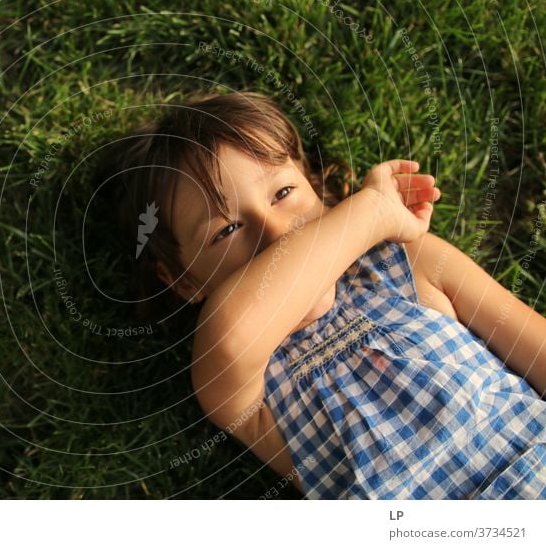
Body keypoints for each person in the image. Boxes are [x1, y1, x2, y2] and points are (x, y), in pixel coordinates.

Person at [112, 91, 546, 499]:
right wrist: (372, 209)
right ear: (186, 282)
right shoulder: (242, 381)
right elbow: (231, 334)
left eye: (283, 193)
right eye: (226, 230)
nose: (277, 232)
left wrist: (364, 225)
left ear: (314, 186)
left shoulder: (406, 259)